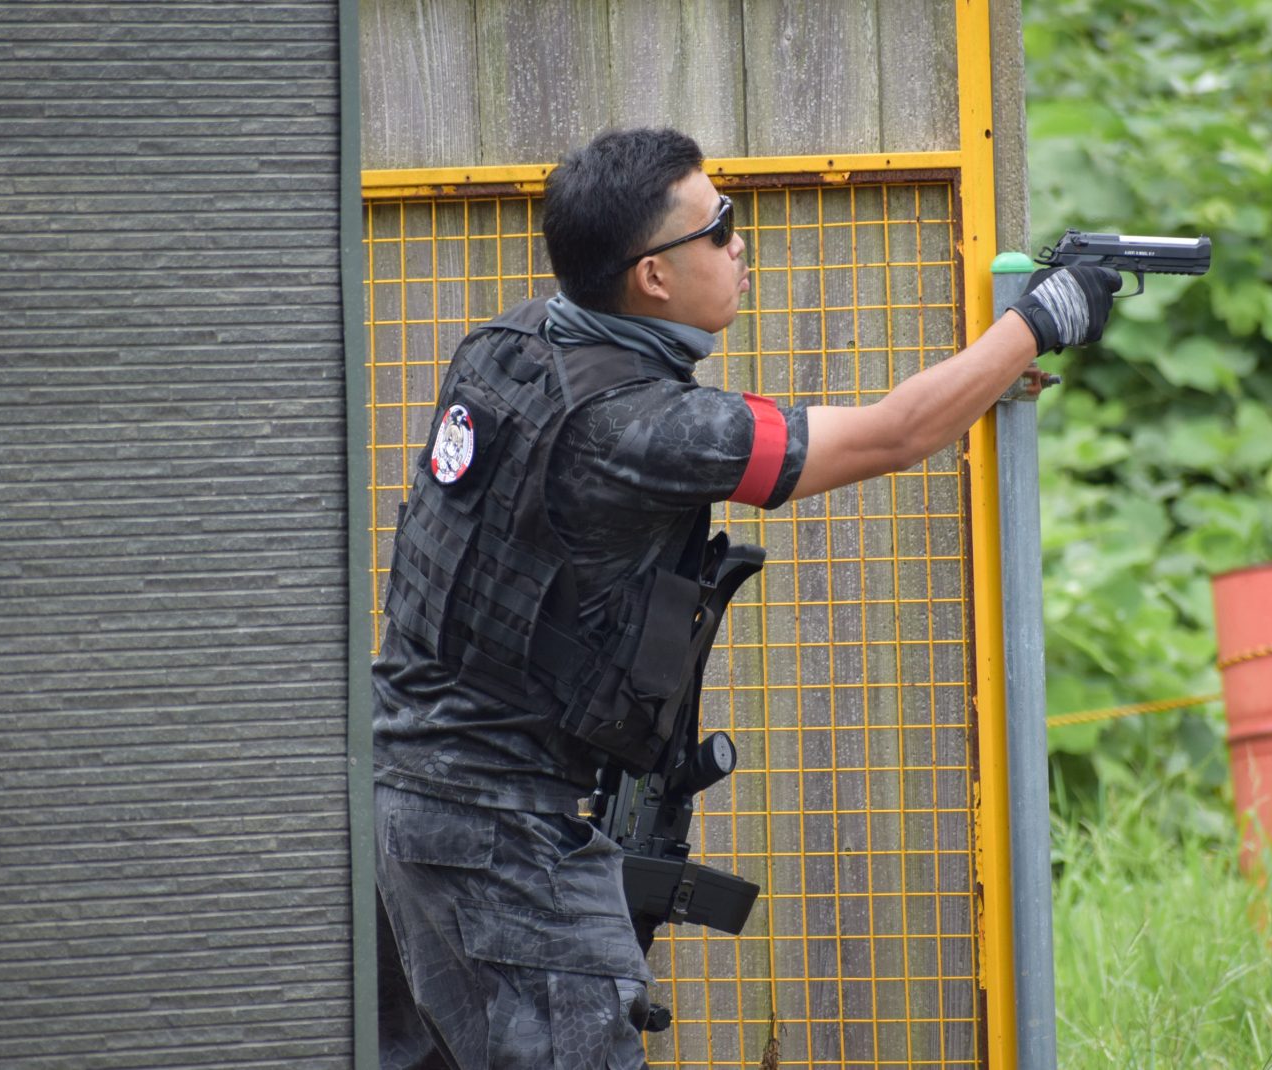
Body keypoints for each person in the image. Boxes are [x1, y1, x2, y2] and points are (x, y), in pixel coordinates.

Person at [371, 127, 1119, 1070]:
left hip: (406, 794)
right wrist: (1039, 321)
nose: (739, 244)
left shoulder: (506, 345)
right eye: (719, 227)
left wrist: (995, 369)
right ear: (652, 275)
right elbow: (892, 435)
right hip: (498, 837)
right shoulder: (639, 428)